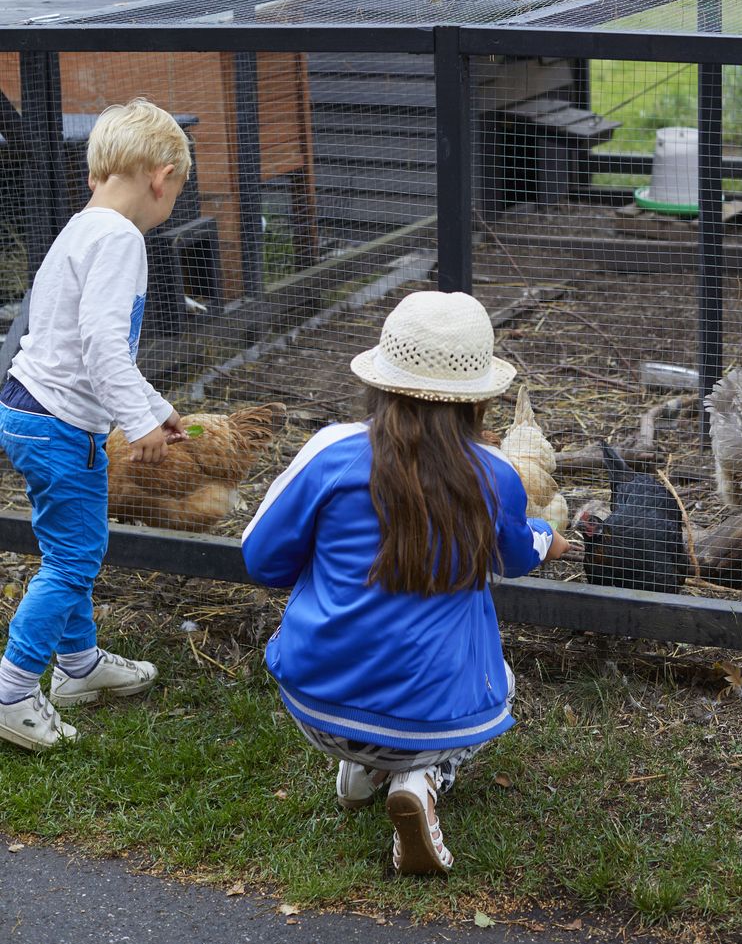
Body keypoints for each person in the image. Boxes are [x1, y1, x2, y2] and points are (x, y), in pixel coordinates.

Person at [242, 289, 571, 876]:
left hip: (314, 705)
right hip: (432, 724)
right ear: (479, 401)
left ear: (380, 380)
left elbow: (261, 558)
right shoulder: (494, 475)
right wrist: (547, 534)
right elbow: (517, 556)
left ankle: (362, 768)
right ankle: (422, 779)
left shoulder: (330, 451)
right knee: (505, 678)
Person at [0, 98, 191, 752]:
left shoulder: (83, 226)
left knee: (67, 547)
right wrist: (137, 426)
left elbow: (94, 346)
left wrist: (153, 407)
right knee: (76, 559)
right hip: (60, 426)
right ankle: (12, 689)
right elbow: (104, 348)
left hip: (26, 408)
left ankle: (78, 666)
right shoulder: (121, 239)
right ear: (161, 178)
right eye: (175, 196)